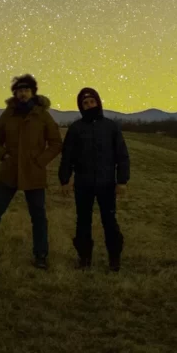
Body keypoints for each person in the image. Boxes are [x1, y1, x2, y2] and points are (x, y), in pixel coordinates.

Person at [0, 74, 62, 269]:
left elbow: (55, 143)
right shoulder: (8, 114)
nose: (23, 93)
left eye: (26, 90)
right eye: (19, 90)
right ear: (15, 93)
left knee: (38, 216)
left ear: (33, 92)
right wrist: (3, 156)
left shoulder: (42, 114)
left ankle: (41, 255)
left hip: (34, 172)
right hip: (9, 171)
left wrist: (40, 161)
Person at [58, 87, 129, 271]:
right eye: (85, 103)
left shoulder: (111, 127)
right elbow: (67, 157)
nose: (89, 105)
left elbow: (122, 155)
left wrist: (122, 181)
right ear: (81, 106)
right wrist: (65, 179)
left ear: (98, 102)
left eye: (91, 101)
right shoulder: (76, 129)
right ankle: (84, 259)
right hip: (83, 184)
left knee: (110, 222)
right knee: (82, 222)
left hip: (107, 184)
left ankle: (114, 259)